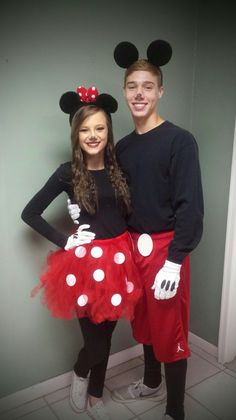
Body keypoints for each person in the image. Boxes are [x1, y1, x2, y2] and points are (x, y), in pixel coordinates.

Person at [68, 40, 204, 420]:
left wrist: (175, 261)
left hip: (166, 251)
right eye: (132, 86)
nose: (139, 93)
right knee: (142, 324)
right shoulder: (123, 148)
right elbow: (113, 195)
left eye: (148, 86)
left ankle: (174, 410)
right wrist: (80, 208)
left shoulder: (180, 141)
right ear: (125, 91)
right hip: (130, 247)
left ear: (160, 90)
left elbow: (191, 208)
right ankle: (151, 382)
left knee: (169, 331)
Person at [21, 86, 142, 420]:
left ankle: (95, 392)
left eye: (99, 128)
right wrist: (66, 240)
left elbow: (126, 213)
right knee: (96, 343)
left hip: (120, 260)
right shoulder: (67, 172)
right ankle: (80, 373)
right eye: (85, 130)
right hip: (86, 266)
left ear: (108, 131)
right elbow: (30, 213)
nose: (93, 135)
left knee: (108, 332)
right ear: (76, 134)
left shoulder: (120, 169)